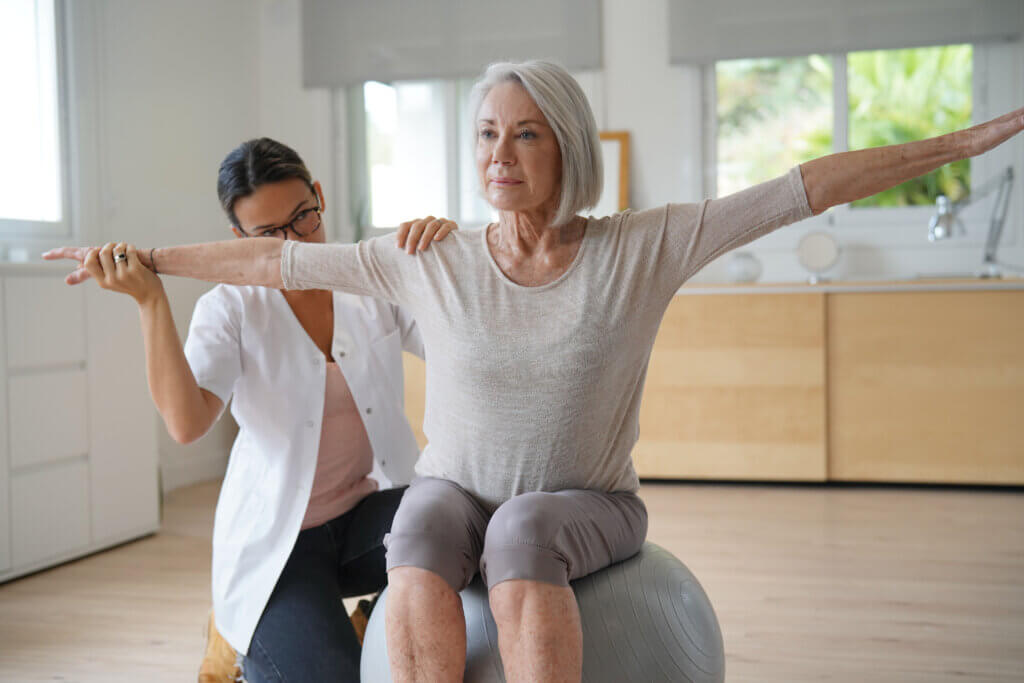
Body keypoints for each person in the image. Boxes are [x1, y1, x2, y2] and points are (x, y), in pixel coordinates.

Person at [47, 62, 1024, 683]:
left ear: (567, 147)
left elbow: (798, 190)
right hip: (381, 515)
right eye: (485, 133)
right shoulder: (428, 256)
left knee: (513, 525)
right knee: (427, 513)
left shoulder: (642, 244)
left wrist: (957, 144)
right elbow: (265, 265)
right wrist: (144, 265)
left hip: (573, 501)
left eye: (525, 132)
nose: (501, 151)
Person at [46, 138, 456, 682]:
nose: (295, 243)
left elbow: (460, 346)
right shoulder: (229, 309)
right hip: (280, 547)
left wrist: (449, 262)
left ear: (320, 197)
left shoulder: (367, 283)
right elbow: (186, 423)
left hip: (368, 518)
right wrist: (150, 301)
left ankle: (366, 620)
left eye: (303, 218)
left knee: (460, 520)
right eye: (269, 234)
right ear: (238, 239)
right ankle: (235, 637)